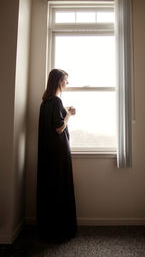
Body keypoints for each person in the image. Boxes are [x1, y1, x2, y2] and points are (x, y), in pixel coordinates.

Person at [37, 69, 77, 242]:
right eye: (65, 80)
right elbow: (59, 127)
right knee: (61, 187)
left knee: (50, 188)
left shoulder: (45, 102)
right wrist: (69, 114)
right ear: (59, 81)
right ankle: (62, 230)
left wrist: (63, 110)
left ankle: (49, 229)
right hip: (58, 153)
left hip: (48, 153)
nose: (67, 83)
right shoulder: (56, 101)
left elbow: (53, 121)